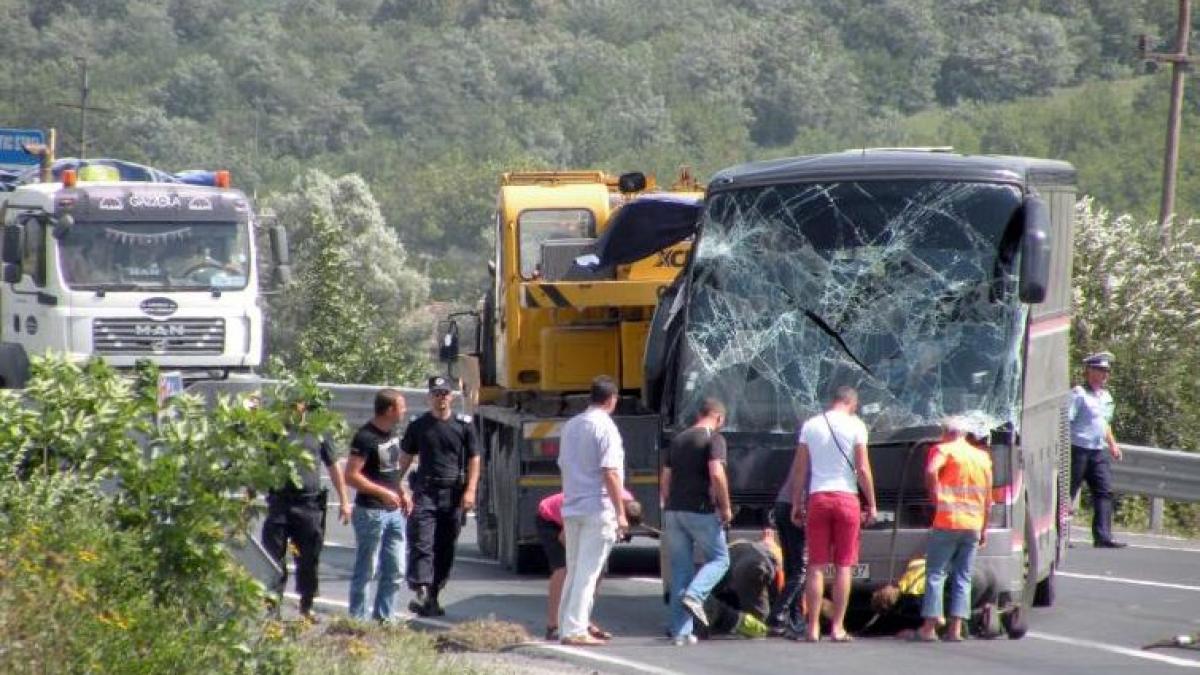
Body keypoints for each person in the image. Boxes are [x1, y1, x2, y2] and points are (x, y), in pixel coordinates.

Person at [791, 386, 877, 643]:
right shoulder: (857, 426)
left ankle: (812, 627)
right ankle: (837, 627)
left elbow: (800, 469)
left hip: (818, 498)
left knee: (815, 566)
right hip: (847, 499)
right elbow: (862, 469)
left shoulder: (810, 425)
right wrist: (871, 503)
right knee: (843, 567)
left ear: (833, 401)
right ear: (852, 403)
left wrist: (797, 502)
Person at [260, 398, 352, 622]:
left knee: (309, 558)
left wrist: (345, 500)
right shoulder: (275, 431)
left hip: (308, 504)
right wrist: (249, 497)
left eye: (300, 403)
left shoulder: (318, 431)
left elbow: (333, 467)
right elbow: (261, 467)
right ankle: (273, 608)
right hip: (280, 503)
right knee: (273, 557)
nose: (296, 407)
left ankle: (307, 605)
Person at [556, 375, 629, 647]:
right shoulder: (606, 427)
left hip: (572, 506)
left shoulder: (571, 426)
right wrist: (621, 513)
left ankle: (566, 623)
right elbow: (610, 472)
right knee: (588, 572)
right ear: (612, 399)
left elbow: (564, 466)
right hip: (597, 507)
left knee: (575, 570)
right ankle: (575, 629)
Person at [400, 375, 481, 617]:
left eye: (445, 393)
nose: (441, 398)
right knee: (422, 541)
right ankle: (421, 588)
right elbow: (404, 458)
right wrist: (396, 486)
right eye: (436, 394)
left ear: (452, 397)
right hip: (425, 491)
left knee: (445, 547)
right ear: (429, 397)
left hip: (453, 494)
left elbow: (474, 458)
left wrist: (471, 490)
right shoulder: (418, 426)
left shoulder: (464, 425)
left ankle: (433, 595)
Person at [662, 397, 733, 646]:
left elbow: (666, 478)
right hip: (700, 510)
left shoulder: (679, 439)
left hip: (673, 511)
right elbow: (716, 473)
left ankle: (680, 632)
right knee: (720, 559)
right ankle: (696, 594)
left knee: (681, 569)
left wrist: (668, 503)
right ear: (719, 418)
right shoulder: (714, 438)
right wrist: (725, 507)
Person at [915, 416, 993, 642]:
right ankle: (955, 629)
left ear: (946, 433)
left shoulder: (944, 450)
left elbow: (931, 471)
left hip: (948, 520)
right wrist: (985, 528)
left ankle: (930, 625)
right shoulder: (982, 457)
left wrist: (934, 495)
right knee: (963, 576)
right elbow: (988, 499)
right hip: (974, 524)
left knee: (936, 573)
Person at [537, 489, 643, 640]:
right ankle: (553, 625)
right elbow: (563, 538)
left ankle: (582, 619)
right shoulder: (603, 506)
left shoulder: (627, 501)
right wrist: (581, 561)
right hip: (550, 519)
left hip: (585, 518)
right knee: (564, 569)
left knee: (596, 572)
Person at [345, 388, 412, 623]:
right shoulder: (365, 437)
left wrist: (402, 492)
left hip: (395, 513)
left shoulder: (392, 434)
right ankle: (358, 621)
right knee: (367, 570)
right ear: (390, 410)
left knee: (395, 569)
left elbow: (392, 471)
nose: (405, 410)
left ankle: (385, 618)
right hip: (371, 512)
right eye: (402, 406)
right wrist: (382, 493)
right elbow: (351, 476)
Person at [1069, 351, 1126, 549]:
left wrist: (1113, 445)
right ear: (1089, 371)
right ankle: (1060, 536)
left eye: (1106, 371)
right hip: (1078, 449)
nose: (1104, 374)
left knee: (1104, 491)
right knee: (1068, 493)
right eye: (1100, 370)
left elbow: (1105, 424)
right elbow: (1066, 421)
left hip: (1097, 450)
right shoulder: (1078, 393)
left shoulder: (1106, 397)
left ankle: (1103, 536)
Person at [699, 531, 783, 640]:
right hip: (755, 565)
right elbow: (780, 586)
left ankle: (714, 624)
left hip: (743, 566)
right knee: (760, 622)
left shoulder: (734, 548)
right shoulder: (773, 551)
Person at [768, 452, 807, 638]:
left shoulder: (804, 450)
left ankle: (796, 619)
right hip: (795, 507)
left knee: (792, 567)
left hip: (781, 505)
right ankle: (777, 615)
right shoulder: (817, 452)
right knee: (801, 570)